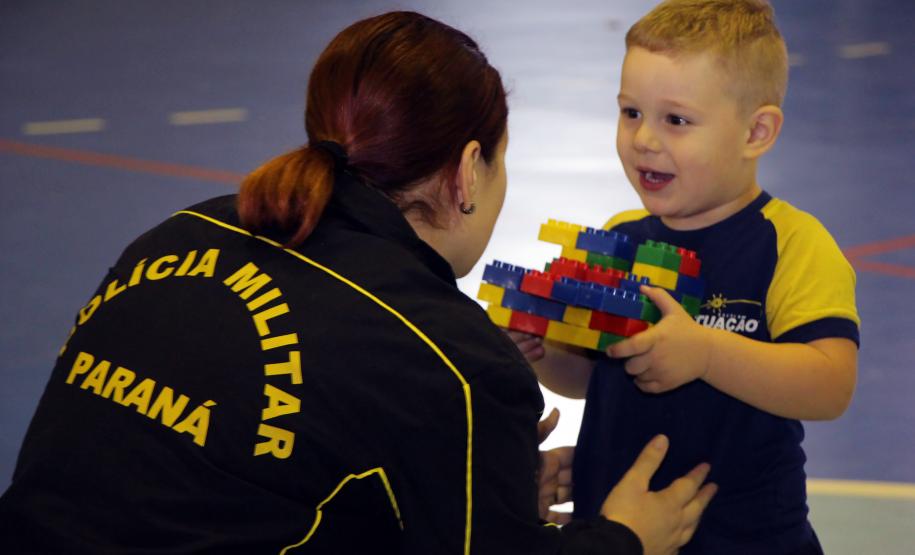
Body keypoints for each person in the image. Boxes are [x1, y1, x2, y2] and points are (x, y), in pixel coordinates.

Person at [0, 11, 716, 555]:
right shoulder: (451, 360)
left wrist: (467, 486)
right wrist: (625, 537)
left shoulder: (183, 232)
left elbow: (211, 490)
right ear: (468, 171)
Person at [514, 1, 860, 553]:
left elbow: (830, 384)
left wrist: (704, 353)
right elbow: (591, 376)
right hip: (622, 532)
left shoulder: (791, 242)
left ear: (756, 132)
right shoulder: (619, 236)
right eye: (630, 113)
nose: (644, 139)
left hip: (750, 540)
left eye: (675, 120)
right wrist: (544, 350)